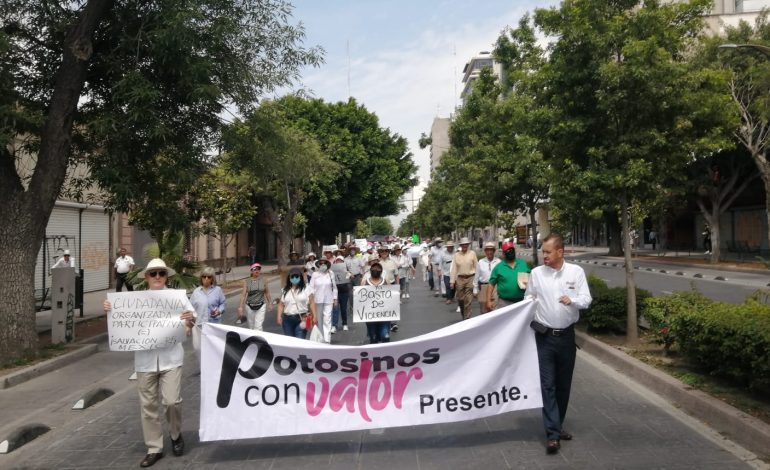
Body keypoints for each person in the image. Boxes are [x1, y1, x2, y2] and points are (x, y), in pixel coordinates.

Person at [102, 258, 195, 467]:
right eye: (153, 274)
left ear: (166, 276)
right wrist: (110, 308)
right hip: (145, 362)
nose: (157, 277)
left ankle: (175, 434)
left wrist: (190, 318)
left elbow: (192, 319)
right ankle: (155, 447)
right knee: (148, 406)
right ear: (146, 277)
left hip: (171, 359)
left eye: (161, 273)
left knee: (172, 401)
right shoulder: (134, 300)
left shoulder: (176, 297)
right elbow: (119, 319)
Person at [526, 233, 592, 455]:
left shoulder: (576, 272)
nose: (544, 255)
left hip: (566, 338)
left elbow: (586, 299)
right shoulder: (536, 274)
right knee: (548, 385)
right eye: (542, 251)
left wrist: (571, 300)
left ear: (560, 252)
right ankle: (552, 434)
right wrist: (527, 303)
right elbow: (529, 298)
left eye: (547, 252)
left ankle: (557, 423)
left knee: (563, 385)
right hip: (544, 338)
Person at [487, 241, 530, 311]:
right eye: (507, 251)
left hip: (522, 302)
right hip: (504, 303)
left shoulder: (523, 264)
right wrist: (488, 301)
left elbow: (531, 278)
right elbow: (491, 284)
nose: (510, 252)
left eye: (512, 250)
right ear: (503, 254)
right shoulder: (498, 267)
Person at [277, 267, 316, 339]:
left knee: (299, 341)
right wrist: (279, 316)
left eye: (297, 276)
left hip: (302, 319)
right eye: (292, 276)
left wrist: (315, 316)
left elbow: (312, 303)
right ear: (289, 278)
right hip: (287, 320)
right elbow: (281, 304)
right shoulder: (285, 290)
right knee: (290, 342)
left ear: (300, 277)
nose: (294, 278)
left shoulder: (307, 288)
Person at [360, 260, 391, 343]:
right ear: (370, 270)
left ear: (381, 271)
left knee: (385, 336)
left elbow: (391, 296)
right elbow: (360, 298)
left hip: (384, 314)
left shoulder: (386, 281)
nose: (376, 270)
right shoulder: (365, 282)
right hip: (370, 316)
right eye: (374, 268)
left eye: (378, 268)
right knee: (373, 337)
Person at [309, 258, 337, 343]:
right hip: (317, 300)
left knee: (327, 319)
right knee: (319, 319)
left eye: (324, 263)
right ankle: (320, 338)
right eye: (321, 263)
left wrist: (335, 298)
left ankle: (327, 339)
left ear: (327, 264)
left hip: (329, 299)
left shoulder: (331, 273)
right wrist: (311, 299)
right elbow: (311, 287)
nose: (322, 265)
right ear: (318, 265)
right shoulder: (315, 274)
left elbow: (334, 287)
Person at [237, 263, 272, 330]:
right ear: (251, 271)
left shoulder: (264, 280)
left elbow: (267, 292)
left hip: (261, 305)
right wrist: (240, 307)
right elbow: (243, 295)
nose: (257, 271)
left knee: (258, 326)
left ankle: (258, 340)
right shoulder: (247, 281)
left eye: (258, 269)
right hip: (249, 306)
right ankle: (253, 339)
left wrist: (270, 303)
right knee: (251, 326)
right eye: (255, 269)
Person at [450, 237, 478, 320]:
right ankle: (463, 312)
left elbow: (477, 266)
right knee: (461, 299)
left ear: (468, 245)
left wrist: (477, 280)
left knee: (468, 300)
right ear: (461, 245)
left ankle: (467, 317)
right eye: (463, 244)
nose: (465, 246)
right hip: (460, 279)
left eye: (466, 244)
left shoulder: (472, 253)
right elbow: (454, 268)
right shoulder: (456, 255)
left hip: (470, 278)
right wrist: (452, 281)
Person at [475, 242, 501, 314]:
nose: (489, 252)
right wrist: (475, 289)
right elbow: (477, 275)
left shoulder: (498, 262)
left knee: (494, 309)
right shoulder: (481, 262)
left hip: (495, 287)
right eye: (487, 250)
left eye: (491, 250)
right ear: (485, 251)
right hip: (483, 287)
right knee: (484, 310)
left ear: (494, 251)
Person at [330, 255, 351, 332]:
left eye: (340, 261)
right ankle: (334, 325)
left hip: (344, 291)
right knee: (335, 309)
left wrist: (348, 274)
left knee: (343, 308)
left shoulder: (346, 270)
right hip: (335, 292)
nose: (339, 262)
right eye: (337, 260)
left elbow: (350, 277)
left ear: (343, 262)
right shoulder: (331, 271)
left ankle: (344, 324)